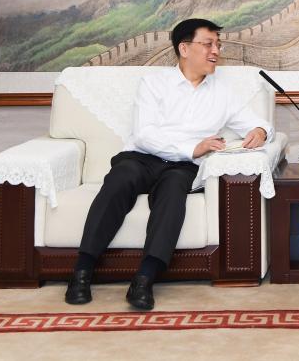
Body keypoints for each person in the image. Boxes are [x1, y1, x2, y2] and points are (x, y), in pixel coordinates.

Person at [64, 18, 272, 310]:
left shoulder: (222, 93)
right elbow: (144, 134)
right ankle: (81, 272)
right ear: (184, 49)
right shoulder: (154, 83)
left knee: (174, 192)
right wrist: (192, 147)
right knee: (120, 179)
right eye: (208, 44)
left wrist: (260, 131)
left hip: (182, 167)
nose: (216, 51)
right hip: (142, 158)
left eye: (218, 45)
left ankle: (144, 279)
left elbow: (257, 123)